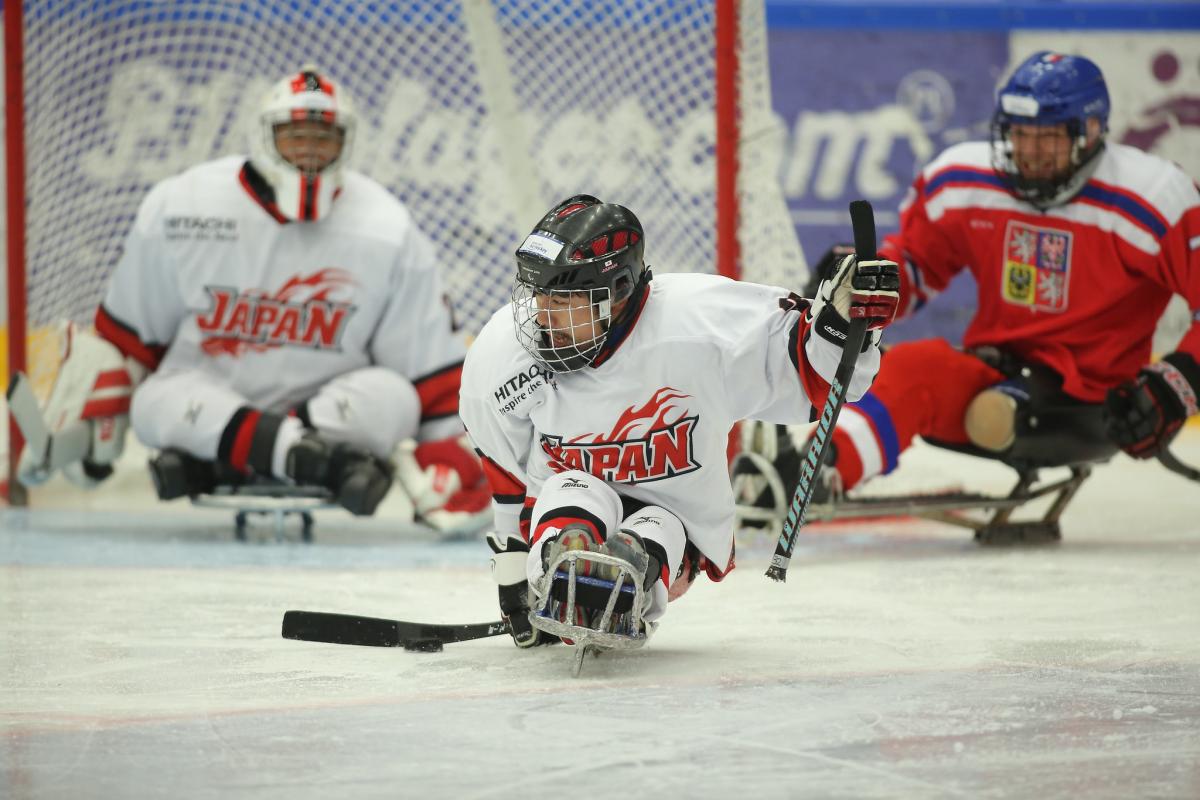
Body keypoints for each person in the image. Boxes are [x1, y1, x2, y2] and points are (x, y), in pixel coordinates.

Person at [17, 67, 489, 528]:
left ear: (346, 144)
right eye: (294, 136)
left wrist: (452, 458)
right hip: (209, 400)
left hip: (317, 412)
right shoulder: (183, 205)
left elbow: (431, 375)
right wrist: (91, 436)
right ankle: (311, 461)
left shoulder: (386, 226)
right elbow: (131, 343)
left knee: (394, 400)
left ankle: (236, 460)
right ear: (264, 136)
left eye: (323, 138)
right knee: (151, 403)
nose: (309, 150)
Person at [736, 51, 1200, 518]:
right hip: (999, 370)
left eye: (1050, 138)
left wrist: (1171, 385)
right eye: (1020, 135)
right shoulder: (966, 180)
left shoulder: (1152, 198)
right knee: (910, 371)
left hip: (1097, 399)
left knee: (991, 416)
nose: (1030, 152)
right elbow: (916, 266)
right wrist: (868, 280)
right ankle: (819, 472)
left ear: (1092, 132)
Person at [459, 194, 899, 649]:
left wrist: (841, 327)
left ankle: (633, 566)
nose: (544, 318)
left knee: (658, 526)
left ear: (618, 293)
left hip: (677, 523)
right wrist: (514, 581)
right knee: (570, 491)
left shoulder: (700, 326)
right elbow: (506, 471)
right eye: (540, 295)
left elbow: (817, 380)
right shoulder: (505, 354)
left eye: (566, 298)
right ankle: (567, 554)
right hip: (567, 494)